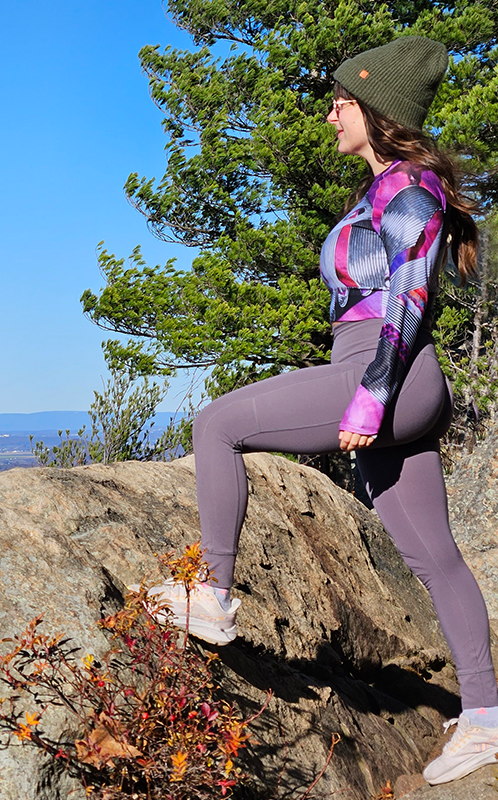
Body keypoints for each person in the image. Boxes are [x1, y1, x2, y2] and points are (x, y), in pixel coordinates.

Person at [145, 36, 498, 785]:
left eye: (343, 100)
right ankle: (486, 718)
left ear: (379, 109)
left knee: (217, 424)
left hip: (388, 367)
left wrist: (370, 396)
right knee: (434, 556)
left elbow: (409, 295)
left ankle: (212, 594)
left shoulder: (410, 187)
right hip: (381, 367)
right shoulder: (383, 188)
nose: (332, 112)